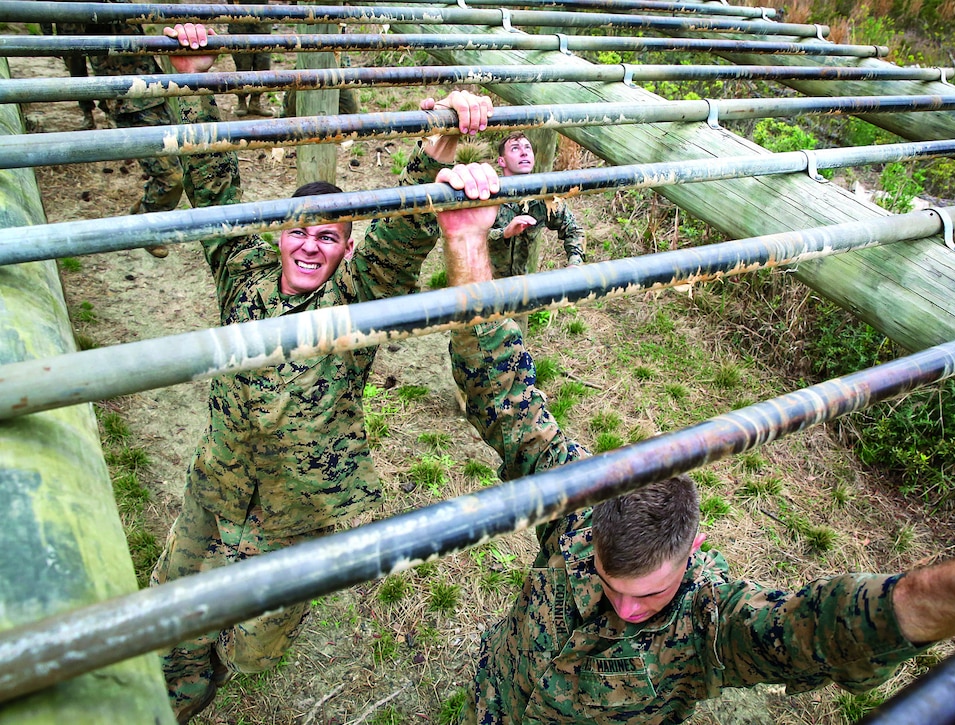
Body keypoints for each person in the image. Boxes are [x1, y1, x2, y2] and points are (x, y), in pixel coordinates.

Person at [431, 163, 955, 724]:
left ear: (693, 548)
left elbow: (837, 624)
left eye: (650, 593)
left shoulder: (709, 622)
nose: (628, 610)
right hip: (494, 700)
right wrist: (465, 237)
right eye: (612, 584)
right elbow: (500, 385)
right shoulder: (578, 500)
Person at [148, 23, 496, 723]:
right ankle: (175, 691)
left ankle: (220, 663)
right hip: (215, 488)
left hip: (298, 516)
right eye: (299, 230)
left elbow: (397, 239)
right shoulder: (241, 272)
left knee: (248, 649)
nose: (309, 244)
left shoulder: (353, 301)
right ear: (279, 233)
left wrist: (439, 148)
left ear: (344, 251)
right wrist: (191, 73)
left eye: (328, 237)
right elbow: (211, 180)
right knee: (169, 611)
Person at [59, 0, 239, 257]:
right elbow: (73, 53)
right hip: (128, 101)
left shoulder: (119, 3)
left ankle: (143, 217)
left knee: (184, 163)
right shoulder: (83, 8)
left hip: (153, 91)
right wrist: (87, 101)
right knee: (172, 177)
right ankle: (145, 224)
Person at [488, 132, 586, 278]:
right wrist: (505, 233)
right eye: (515, 148)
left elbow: (574, 230)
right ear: (502, 161)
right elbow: (470, 239)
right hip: (484, 287)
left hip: (524, 286)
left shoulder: (542, 198)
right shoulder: (489, 193)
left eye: (528, 148)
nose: (524, 153)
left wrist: (575, 264)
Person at [227, 0, 275, 117]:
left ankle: (255, 101)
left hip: (261, 18)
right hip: (239, 16)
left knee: (263, 63)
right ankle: (241, 101)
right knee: (243, 63)